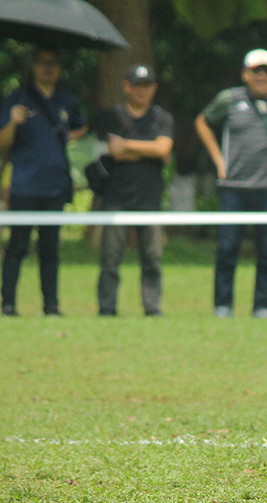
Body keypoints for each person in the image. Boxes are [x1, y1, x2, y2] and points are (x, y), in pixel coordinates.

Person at [195, 48, 267, 318]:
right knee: (227, 249)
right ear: (245, 74)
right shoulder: (229, 99)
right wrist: (218, 160)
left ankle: (262, 307)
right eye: (255, 71)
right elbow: (202, 122)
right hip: (233, 187)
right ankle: (222, 306)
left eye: (266, 71)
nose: (261, 76)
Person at [0, 46, 88, 316]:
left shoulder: (66, 101)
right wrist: (13, 121)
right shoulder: (18, 98)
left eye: (53, 63)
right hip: (24, 184)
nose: (48, 68)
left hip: (55, 185)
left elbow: (81, 125)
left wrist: (67, 136)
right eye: (42, 62)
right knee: (17, 246)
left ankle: (51, 305)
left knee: (50, 248)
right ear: (33, 66)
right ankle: (8, 304)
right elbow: (1, 143)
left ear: (59, 69)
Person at [95, 65, 174, 317]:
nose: (142, 91)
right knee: (110, 258)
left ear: (154, 89)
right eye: (137, 86)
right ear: (126, 87)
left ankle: (152, 307)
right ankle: (107, 308)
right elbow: (113, 152)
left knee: (152, 259)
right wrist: (148, 149)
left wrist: (128, 146)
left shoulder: (162, 118)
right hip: (116, 197)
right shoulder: (113, 117)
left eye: (147, 86)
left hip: (149, 199)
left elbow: (163, 150)